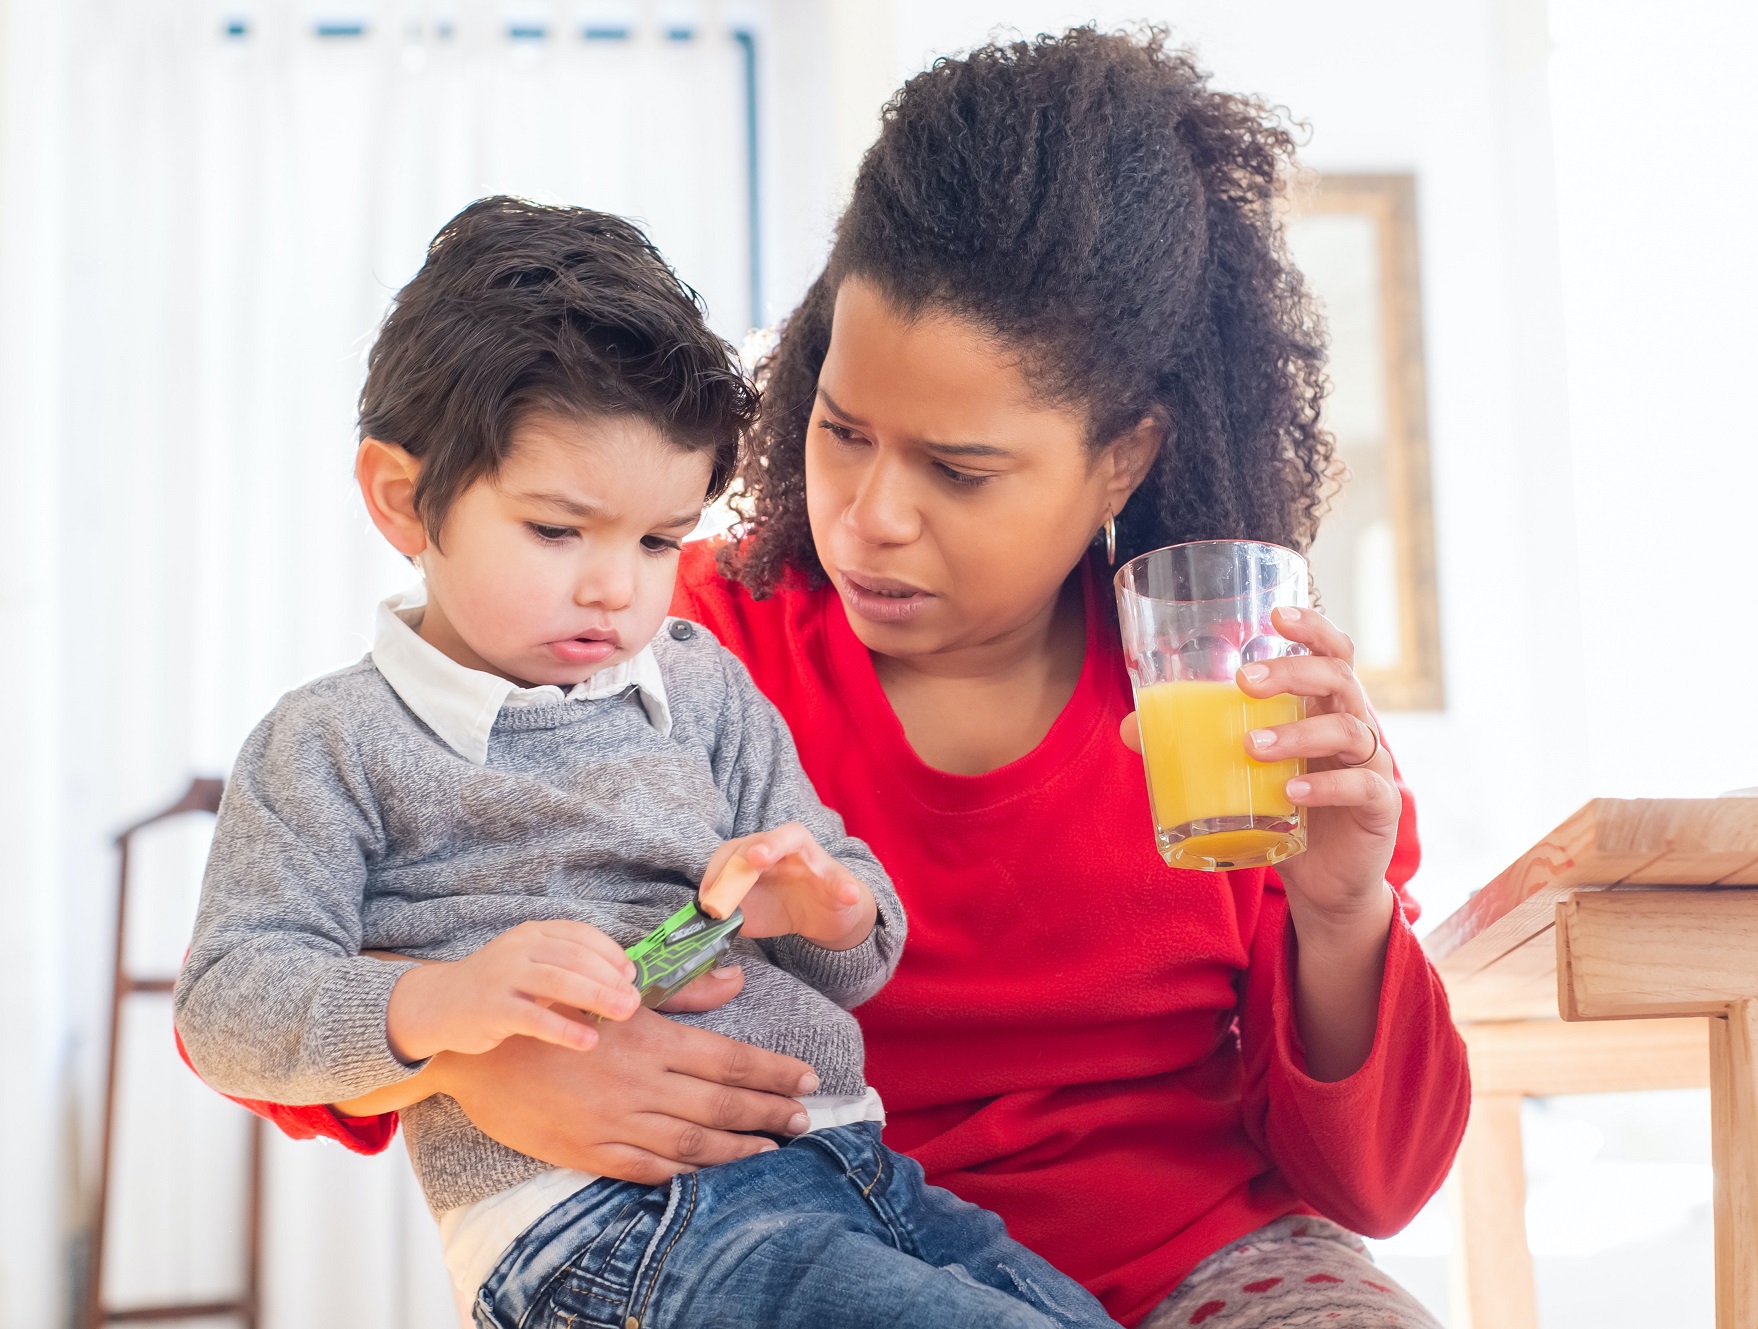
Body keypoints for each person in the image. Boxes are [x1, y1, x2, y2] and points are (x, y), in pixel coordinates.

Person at [199, 29, 1471, 1329]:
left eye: (958, 471)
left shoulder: (1236, 703)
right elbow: (273, 992)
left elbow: (1370, 1185)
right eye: (840, 429)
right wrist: (478, 1071)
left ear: (1120, 460)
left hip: (1195, 1267)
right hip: (783, 1240)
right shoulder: (667, 654)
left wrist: (1340, 906)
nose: (868, 517)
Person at [172, 195, 1124, 1329]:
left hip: (850, 1168)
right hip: (604, 1227)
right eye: (559, 531)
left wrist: (821, 906)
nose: (615, 587)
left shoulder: (703, 683)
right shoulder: (330, 741)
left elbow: (852, 951)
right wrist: (443, 1008)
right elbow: (230, 1002)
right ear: (402, 497)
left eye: (660, 539)